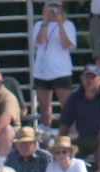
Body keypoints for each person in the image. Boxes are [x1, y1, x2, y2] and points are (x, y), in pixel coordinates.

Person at [29, 0, 79, 128]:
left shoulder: (68, 25)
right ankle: (46, 134)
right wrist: (45, 21)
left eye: (56, 7)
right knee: (44, 109)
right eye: (50, 7)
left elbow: (67, 44)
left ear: (61, 9)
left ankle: (71, 135)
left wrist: (60, 24)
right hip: (42, 71)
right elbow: (39, 41)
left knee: (67, 107)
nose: (53, 11)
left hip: (61, 71)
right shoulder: (39, 24)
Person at [58, 64, 100, 157]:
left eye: (93, 77)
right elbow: (65, 122)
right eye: (87, 77)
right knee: (67, 154)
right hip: (83, 139)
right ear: (82, 79)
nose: (89, 80)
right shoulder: (75, 96)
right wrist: (60, 145)